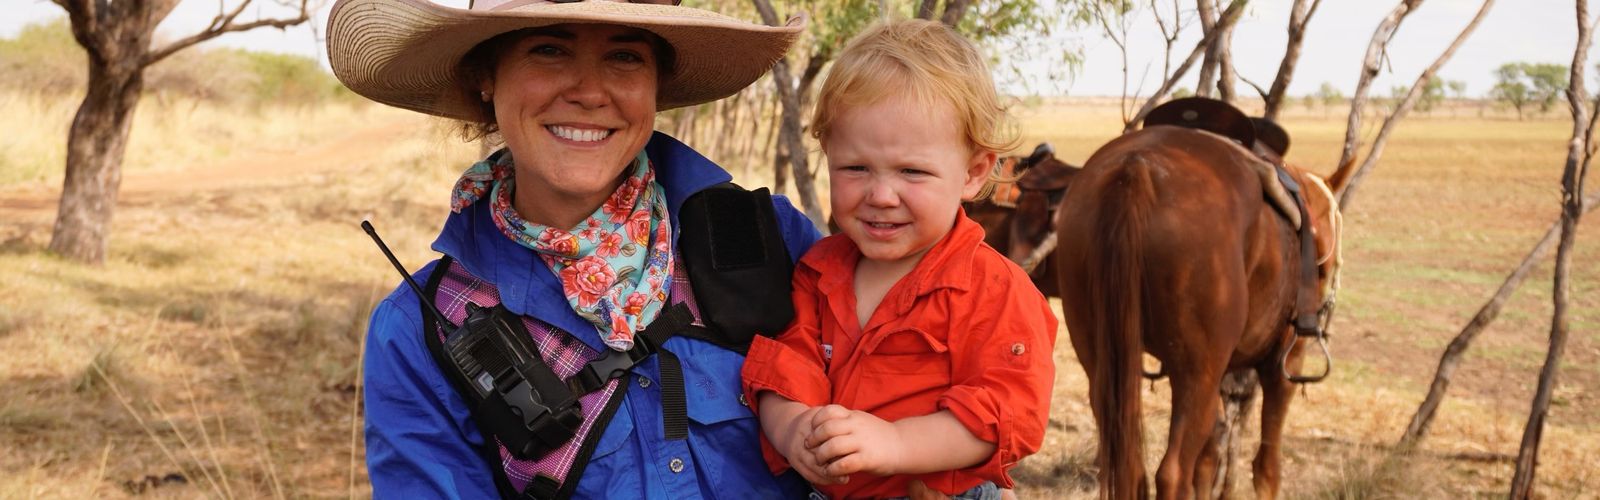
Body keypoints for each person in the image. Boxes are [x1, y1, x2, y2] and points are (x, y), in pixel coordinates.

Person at [326, 0, 820, 497]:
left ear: (656, 84)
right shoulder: (422, 331)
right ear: (485, 77)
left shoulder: (766, 238)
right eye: (548, 49)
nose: (589, 92)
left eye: (625, 57)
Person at [740, 19, 1057, 500]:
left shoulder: (995, 289)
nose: (881, 195)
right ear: (827, 156)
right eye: (855, 168)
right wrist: (794, 428)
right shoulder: (818, 270)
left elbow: (1005, 413)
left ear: (972, 174)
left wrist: (894, 442)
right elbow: (788, 364)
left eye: (912, 171)